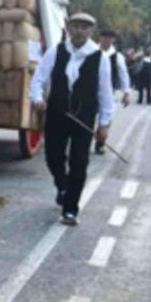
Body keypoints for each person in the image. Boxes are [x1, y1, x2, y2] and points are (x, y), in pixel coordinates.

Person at [30, 13, 115, 226]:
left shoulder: (99, 57)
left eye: (84, 28)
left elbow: (106, 93)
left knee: (79, 162)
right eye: (75, 26)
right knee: (52, 157)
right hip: (57, 115)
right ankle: (62, 184)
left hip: (84, 118)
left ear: (91, 32)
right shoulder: (56, 51)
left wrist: (104, 124)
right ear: (68, 28)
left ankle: (70, 208)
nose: (79, 31)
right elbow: (38, 78)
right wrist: (38, 98)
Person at [95, 29, 131, 155]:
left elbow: (123, 74)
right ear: (100, 38)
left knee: (105, 120)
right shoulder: (92, 51)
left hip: (108, 92)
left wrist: (126, 93)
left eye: (109, 38)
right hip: (90, 91)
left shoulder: (117, 57)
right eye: (104, 37)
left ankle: (99, 143)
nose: (106, 40)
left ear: (113, 40)